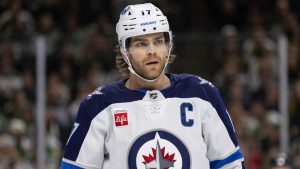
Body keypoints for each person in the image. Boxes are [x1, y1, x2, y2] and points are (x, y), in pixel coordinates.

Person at [60, 3, 245, 169]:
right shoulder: (99, 105)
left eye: (158, 41)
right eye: (141, 44)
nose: (152, 51)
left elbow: (230, 164)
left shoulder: (201, 93)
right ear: (125, 51)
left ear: (168, 45)